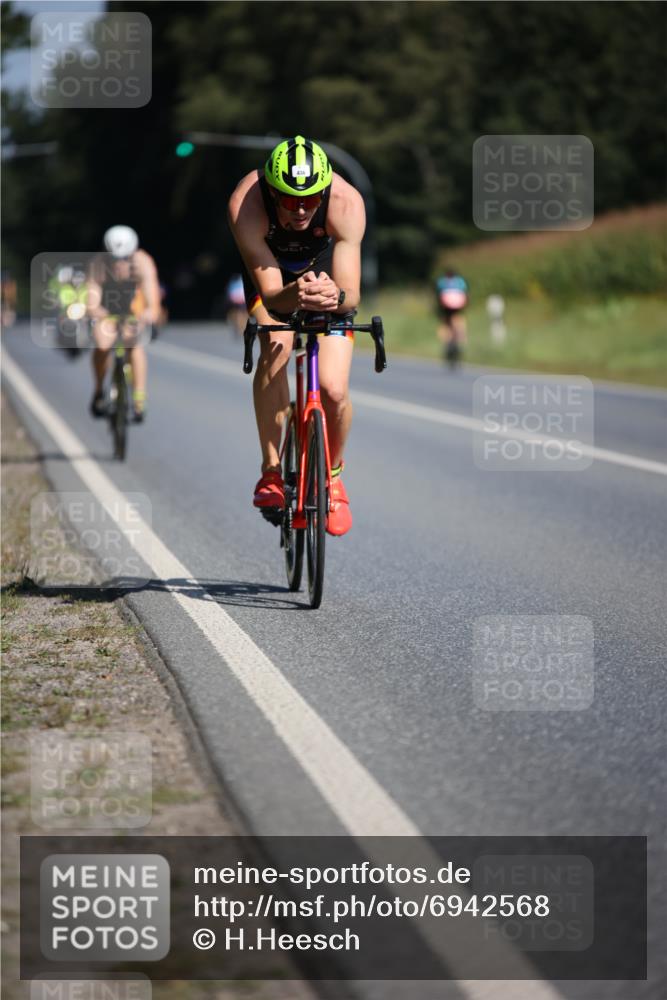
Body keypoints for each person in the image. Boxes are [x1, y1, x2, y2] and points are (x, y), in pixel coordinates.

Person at [228, 135, 365, 537]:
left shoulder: (346, 202)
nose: (301, 209)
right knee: (277, 342)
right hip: (273, 278)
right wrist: (295, 292)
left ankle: (333, 478)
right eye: (289, 200)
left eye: (310, 199)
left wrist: (335, 295)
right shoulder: (246, 204)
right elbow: (272, 297)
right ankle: (271, 472)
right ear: (272, 190)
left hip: (327, 275)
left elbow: (351, 293)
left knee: (333, 389)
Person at [86, 226, 160, 422]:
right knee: (102, 345)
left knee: (134, 346)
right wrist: (98, 314)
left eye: (124, 258)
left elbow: (152, 301)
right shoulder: (98, 265)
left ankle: (138, 399)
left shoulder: (143, 263)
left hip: (132, 312)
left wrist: (148, 315)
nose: (119, 264)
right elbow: (91, 301)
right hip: (106, 311)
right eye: (114, 259)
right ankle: (99, 389)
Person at [436, 269, 468, 368]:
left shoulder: (442, 281)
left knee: (445, 321)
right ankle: (461, 337)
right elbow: (466, 293)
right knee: (458, 319)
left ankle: (447, 340)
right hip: (459, 303)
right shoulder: (460, 281)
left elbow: (438, 294)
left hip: (446, 304)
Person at [223, 272, 247, 337]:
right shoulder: (242, 281)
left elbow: (229, 292)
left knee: (238, 314)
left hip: (235, 300)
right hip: (241, 300)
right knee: (243, 314)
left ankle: (240, 327)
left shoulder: (233, 282)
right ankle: (242, 328)